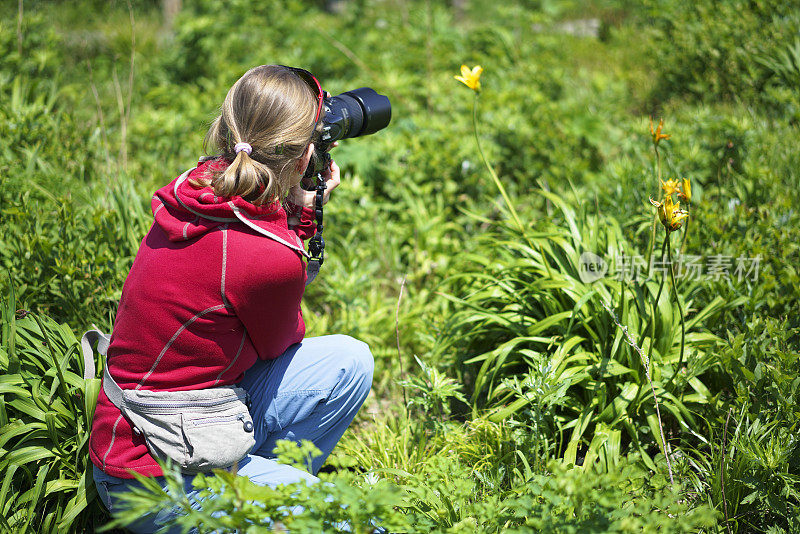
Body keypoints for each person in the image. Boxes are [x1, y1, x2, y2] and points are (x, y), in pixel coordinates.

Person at [89, 64, 374, 533]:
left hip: (165, 423)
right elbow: (281, 339)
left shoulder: (197, 187)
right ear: (305, 159)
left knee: (349, 361)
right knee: (351, 520)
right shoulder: (264, 256)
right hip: (154, 478)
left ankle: (266, 498)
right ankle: (268, 508)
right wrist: (303, 221)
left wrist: (296, 210)